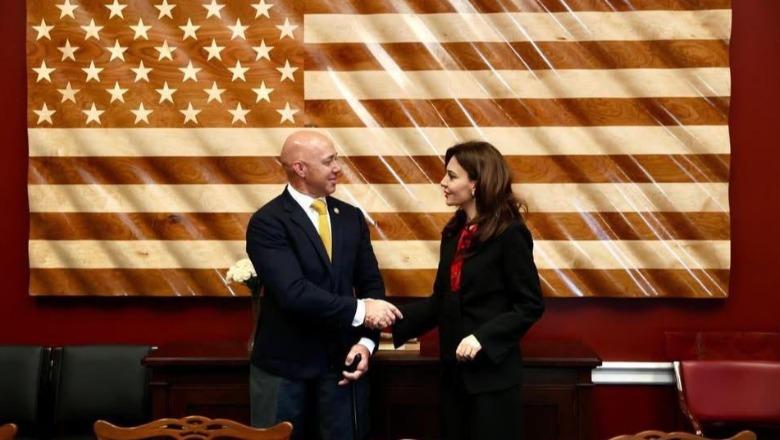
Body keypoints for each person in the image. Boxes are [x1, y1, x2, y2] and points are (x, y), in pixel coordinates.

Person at [246, 130, 403, 440]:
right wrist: (361, 311)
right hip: (284, 372)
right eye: (329, 161)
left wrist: (366, 343)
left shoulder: (351, 218)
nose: (338, 168)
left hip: (343, 368)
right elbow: (293, 293)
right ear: (300, 168)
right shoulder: (268, 222)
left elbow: (371, 285)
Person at [392, 141, 545, 439]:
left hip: (492, 380)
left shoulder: (511, 233)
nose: (442, 182)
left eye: (451, 176)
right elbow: (441, 302)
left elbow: (529, 305)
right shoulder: (453, 233)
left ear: (476, 183)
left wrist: (482, 338)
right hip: (453, 377)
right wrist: (386, 319)